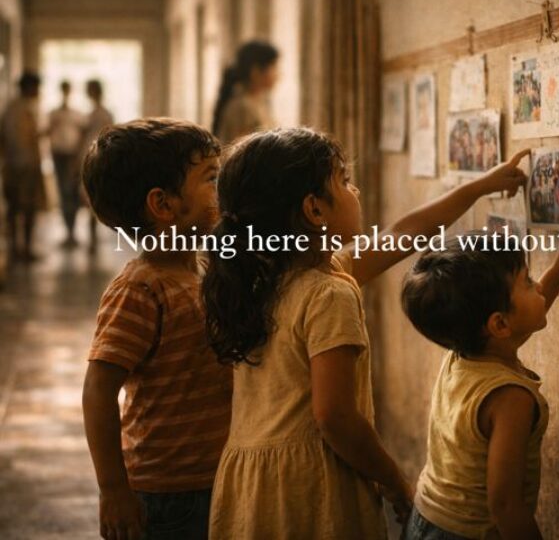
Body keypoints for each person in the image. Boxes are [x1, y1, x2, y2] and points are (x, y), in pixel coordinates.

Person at [202, 128, 528, 539]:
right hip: (310, 484)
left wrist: (479, 187)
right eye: (343, 181)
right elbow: (334, 417)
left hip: (251, 480)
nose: (354, 191)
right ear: (314, 210)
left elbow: (403, 233)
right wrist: (393, 477)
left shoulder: (263, 278)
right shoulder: (328, 293)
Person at [81, 119, 232, 540]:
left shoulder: (200, 270)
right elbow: (98, 389)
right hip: (168, 494)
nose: (223, 192)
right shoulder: (140, 290)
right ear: (163, 204)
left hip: (213, 476)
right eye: (212, 179)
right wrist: (113, 489)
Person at [400, 231, 559, 539]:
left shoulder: (464, 354)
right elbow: (506, 506)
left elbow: (519, 324)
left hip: (425, 517)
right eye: (528, 282)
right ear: (498, 323)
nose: (538, 286)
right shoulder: (511, 398)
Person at [0, 71, 45, 262]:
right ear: (29, 87)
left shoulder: (16, 108)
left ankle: (19, 249)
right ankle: (21, 250)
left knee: (17, 209)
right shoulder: (18, 110)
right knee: (25, 209)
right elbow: (17, 141)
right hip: (22, 167)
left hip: (16, 166)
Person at [212, 41, 279, 145]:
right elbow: (241, 152)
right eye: (274, 67)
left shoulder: (257, 101)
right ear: (255, 71)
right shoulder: (242, 106)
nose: (278, 73)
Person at [48, 80, 86, 247]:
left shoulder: (77, 114)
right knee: (64, 194)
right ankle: (69, 232)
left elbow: (82, 135)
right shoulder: (54, 113)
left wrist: (78, 157)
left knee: (71, 193)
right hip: (59, 156)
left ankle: (72, 231)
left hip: (72, 157)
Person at [83, 79, 114, 252]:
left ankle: (93, 239)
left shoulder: (101, 114)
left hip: (97, 158)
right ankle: (92, 239)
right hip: (93, 157)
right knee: (91, 198)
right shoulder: (96, 113)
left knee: (92, 198)